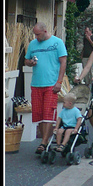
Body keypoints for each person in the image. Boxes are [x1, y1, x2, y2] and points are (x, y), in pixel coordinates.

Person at [24, 22, 67, 154]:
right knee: (39, 114)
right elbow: (26, 60)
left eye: (38, 34)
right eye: (35, 34)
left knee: (48, 113)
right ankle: (45, 140)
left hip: (51, 84)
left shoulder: (57, 42)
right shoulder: (33, 44)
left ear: (45, 31)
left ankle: (43, 142)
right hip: (36, 83)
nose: (36, 37)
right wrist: (30, 62)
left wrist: (59, 81)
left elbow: (63, 61)